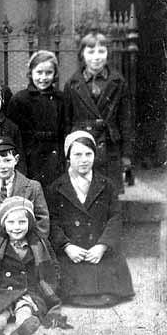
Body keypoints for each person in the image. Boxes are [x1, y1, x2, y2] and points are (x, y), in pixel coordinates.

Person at [47, 131, 134, 307]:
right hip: (73, 252)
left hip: (98, 248)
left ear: (95, 155)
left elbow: (115, 218)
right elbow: (51, 221)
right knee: (70, 287)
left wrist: (102, 246)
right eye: (77, 155)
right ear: (68, 157)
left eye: (89, 154)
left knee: (108, 290)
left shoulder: (106, 184)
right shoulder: (56, 187)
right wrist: (66, 246)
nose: (84, 159)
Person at [0, 197, 61, 335]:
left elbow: (53, 265)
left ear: (30, 223)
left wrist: (51, 283)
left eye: (22, 222)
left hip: (28, 290)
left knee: (25, 308)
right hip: (2, 290)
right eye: (11, 222)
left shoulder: (40, 243)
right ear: (3, 224)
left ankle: (23, 328)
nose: (16, 227)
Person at [64, 32, 134, 192]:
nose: (96, 57)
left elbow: (126, 121)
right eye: (91, 52)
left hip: (110, 148)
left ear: (108, 53)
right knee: (83, 194)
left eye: (101, 51)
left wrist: (126, 156)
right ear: (82, 54)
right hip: (82, 147)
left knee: (108, 196)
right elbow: (66, 122)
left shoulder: (118, 82)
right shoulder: (72, 84)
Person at [0, 137, 49, 253]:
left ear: (16, 159)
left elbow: (42, 222)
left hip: (25, 247)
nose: (3, 166)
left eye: (7, 160)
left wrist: (34, 247)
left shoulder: (32, 187)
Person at [7, 50, 66, 188]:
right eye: (39, 72)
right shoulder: (20, 100)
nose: (43, 78)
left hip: (55, 157)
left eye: (48, 73)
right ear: (31, 73)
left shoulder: (61, 98)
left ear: (55, 74)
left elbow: (65, 128)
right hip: (30, 157)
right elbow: (14, 134)